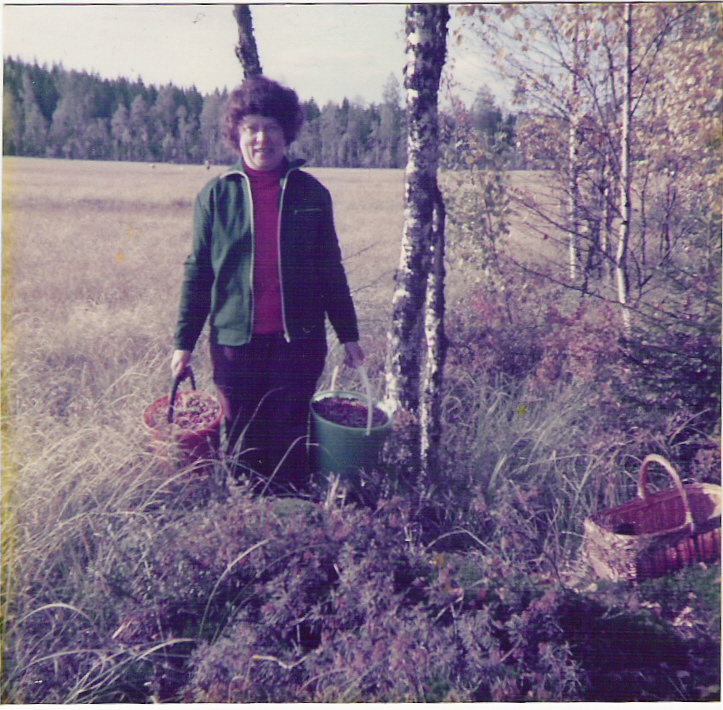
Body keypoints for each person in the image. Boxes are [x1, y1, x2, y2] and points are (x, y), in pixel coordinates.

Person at [171, 76, 364, 492]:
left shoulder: (312, 194)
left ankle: (292, 515)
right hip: (234, 346)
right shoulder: (215, 196)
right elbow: (198, 272)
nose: (262, 138)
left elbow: (330, 269)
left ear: (286, 133)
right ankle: (248, 518)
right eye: (252, 128)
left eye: (272, 127)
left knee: (291, 439)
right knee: (243, 443)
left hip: (299, 343)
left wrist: (348, 334)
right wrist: (183, 343)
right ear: (237, 134)